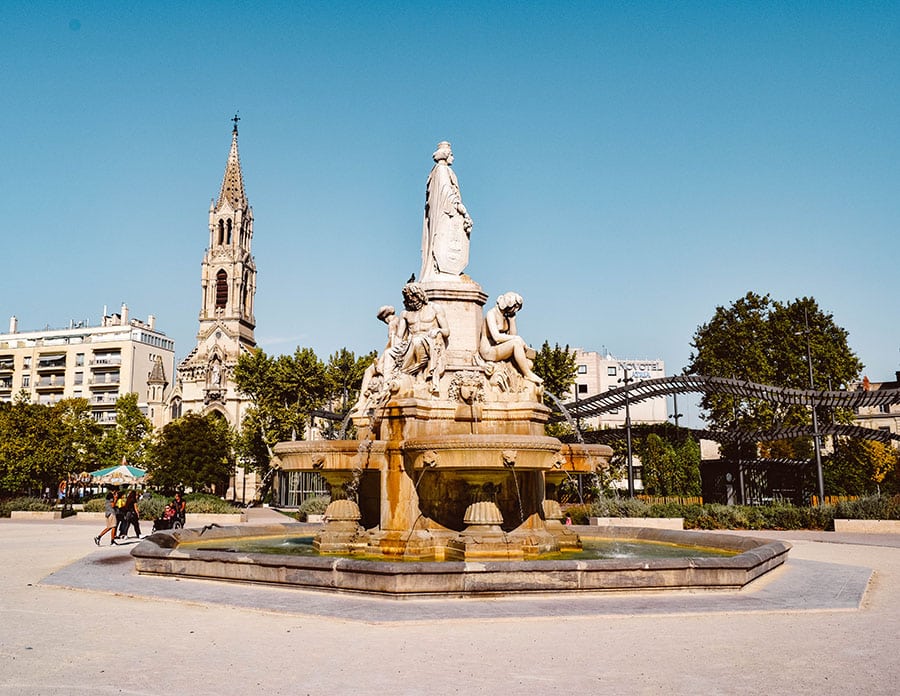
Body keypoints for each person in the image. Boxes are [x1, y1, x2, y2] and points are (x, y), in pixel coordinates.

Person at [420, 141, 473, 281]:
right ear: (447, 155)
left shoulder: (436, 171)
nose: (453, 158)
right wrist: (462, 210)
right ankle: (441, 269)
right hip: (444, 214)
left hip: (442, 213)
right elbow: (447, 193)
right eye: (452, 154)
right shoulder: (442, 170)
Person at [395, 283, 449, 394]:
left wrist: (438, 330)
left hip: (429, 341)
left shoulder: (434, 309)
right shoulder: (405, 314)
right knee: (389, 354)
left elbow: (446, 331)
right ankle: (393, 381)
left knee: (417, 341)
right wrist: (396, 347)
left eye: (414, 298)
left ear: (420, 295)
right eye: (409, 299)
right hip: (411, 343)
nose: (412, 302)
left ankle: (417, 376)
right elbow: (399, 336)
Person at [479, 292, 543, 384]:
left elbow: (512, 335)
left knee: (529, 364)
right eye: (513, 307)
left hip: (499, 348)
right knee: (517, 342)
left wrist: (512, 320)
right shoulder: (491, 314)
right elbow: (496, 337)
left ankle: (525, 373)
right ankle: (528, 374)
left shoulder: (505, 316)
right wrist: (517, 339)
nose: (514, 310)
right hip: (489, 350)